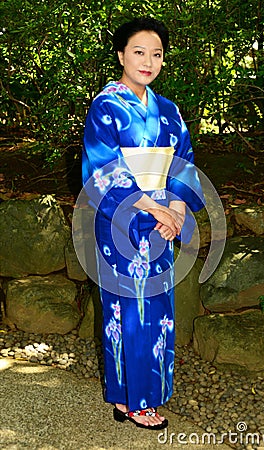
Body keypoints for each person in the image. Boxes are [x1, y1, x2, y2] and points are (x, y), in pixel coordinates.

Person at [82, 17, 205, 430]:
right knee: (128, 310)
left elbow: (183, 166)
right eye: (139, 51)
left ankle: (126, 395)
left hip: (160, 222)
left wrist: (178, 214)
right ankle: (138, 402)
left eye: (157, 54)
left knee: (157, 307)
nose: (148, 61)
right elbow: (104, 171)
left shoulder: (168, 111)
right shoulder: (107, 106)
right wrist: (157, 210)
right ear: (120, 55)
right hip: (121, 220)